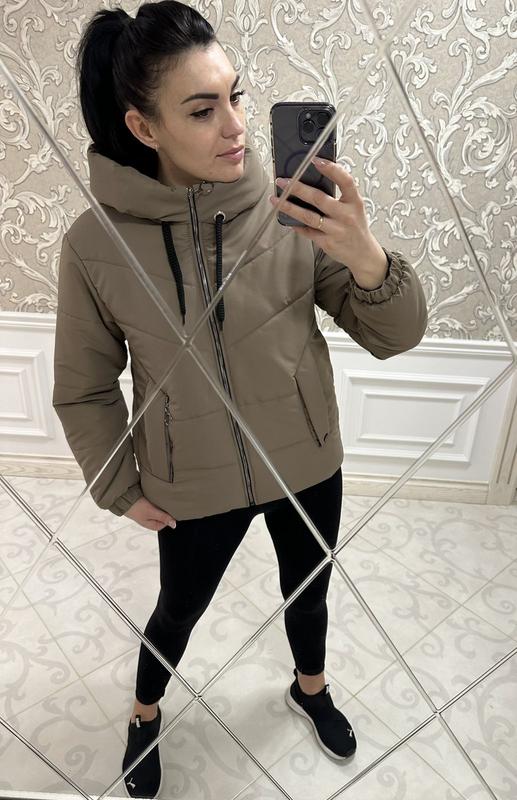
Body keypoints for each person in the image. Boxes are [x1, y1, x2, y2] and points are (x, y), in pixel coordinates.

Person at [52, 2, 428, 797]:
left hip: (306, 458)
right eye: (201, 109)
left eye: (236, 97)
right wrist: (116, 483)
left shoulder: (291, 206)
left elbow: (393, 337)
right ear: (143, 127)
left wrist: (367, 257)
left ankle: (309, 688)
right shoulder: (95, 244)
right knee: (177, 612)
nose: (235, 126)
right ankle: (145, 714)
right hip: (190, 481)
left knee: (308, 591)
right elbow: (83, 387)